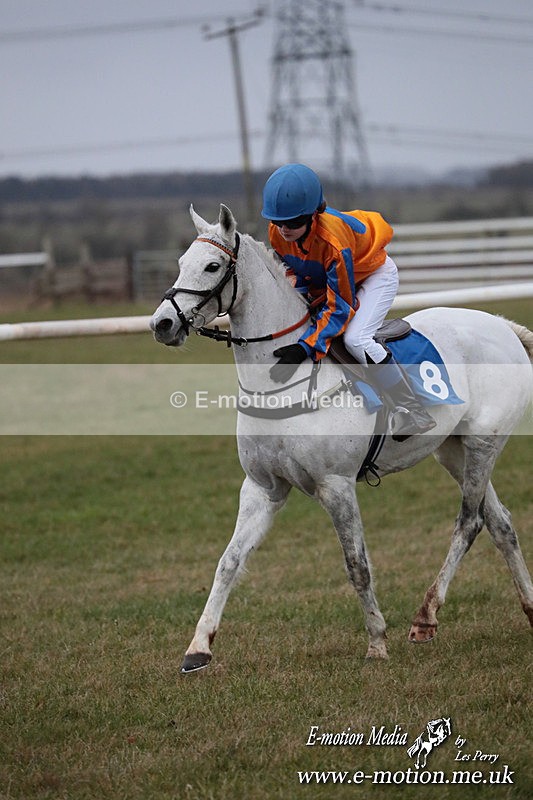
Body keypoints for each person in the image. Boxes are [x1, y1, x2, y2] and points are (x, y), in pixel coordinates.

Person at [261, 162, 436, 440]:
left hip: (374, 274)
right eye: (278, 221)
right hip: (338, 276)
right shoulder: (277, 233)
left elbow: (340, 307)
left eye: (293, 222)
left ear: (312, 214)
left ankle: (412, 409)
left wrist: (305, 347)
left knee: (357, 338)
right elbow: (295, 269)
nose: (284, 230)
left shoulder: (333, 241)